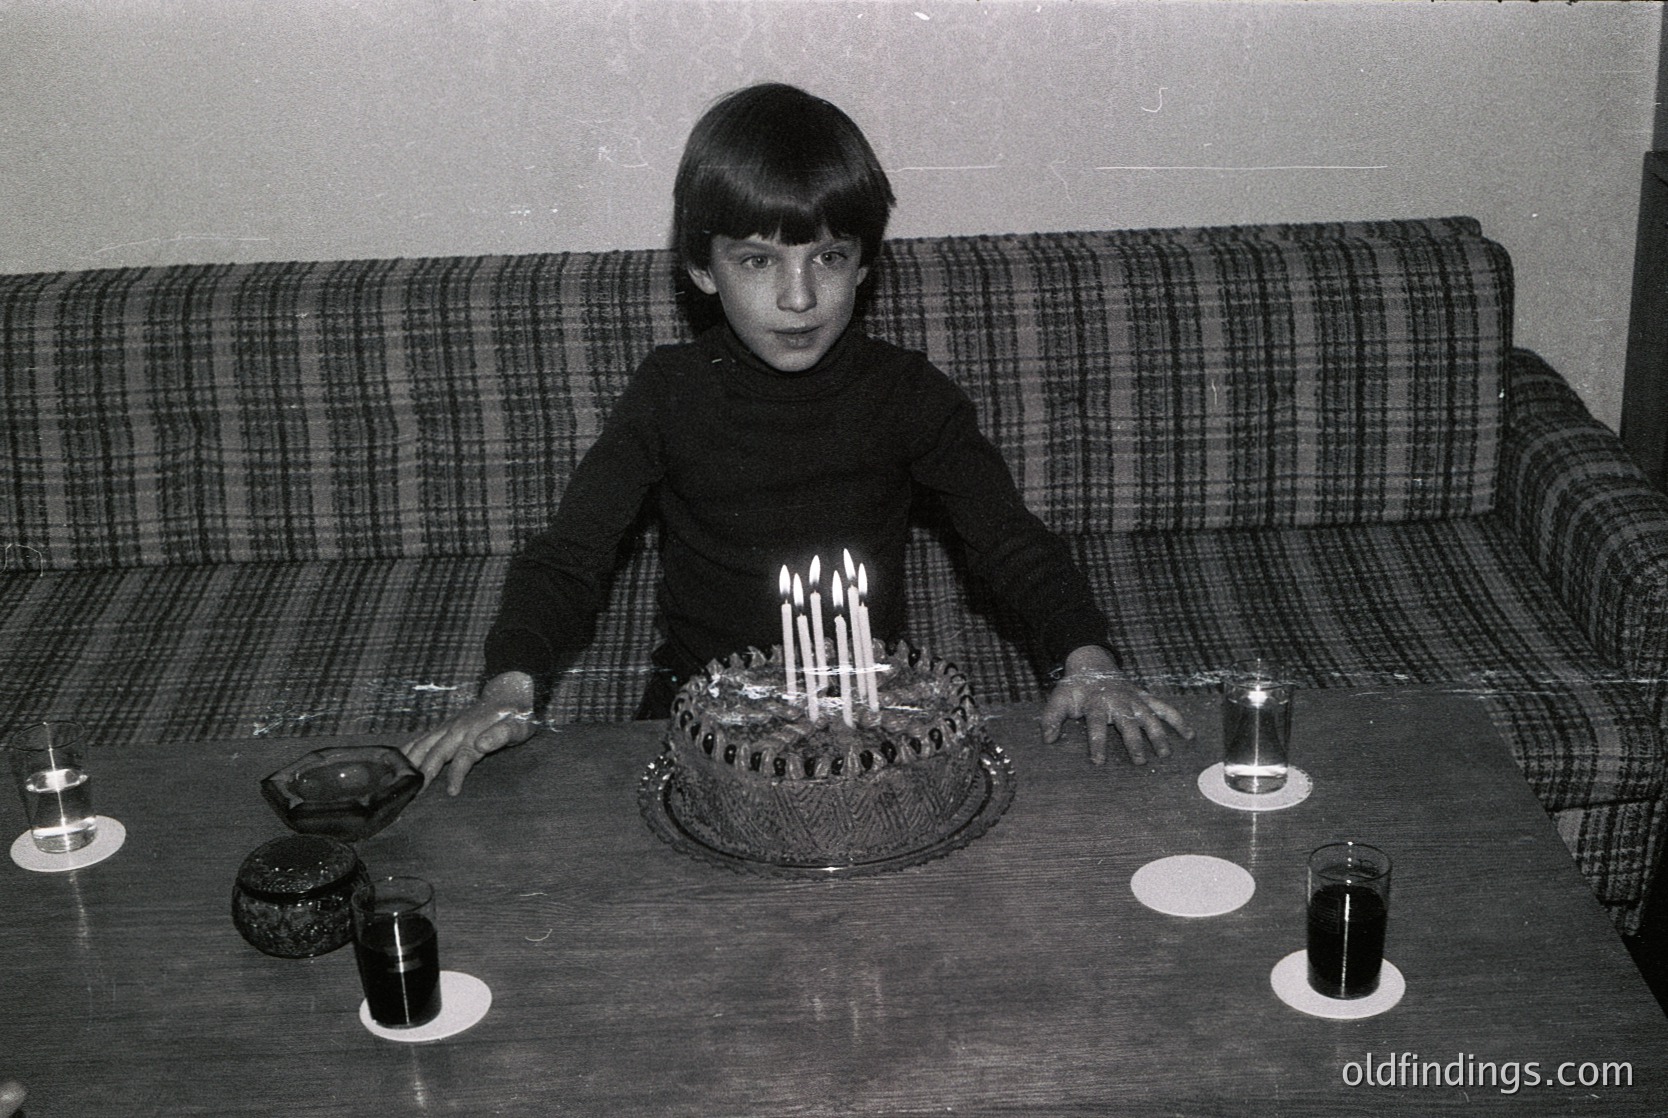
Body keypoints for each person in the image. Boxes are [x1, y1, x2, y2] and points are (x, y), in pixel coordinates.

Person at [405, 83, 1190, 795]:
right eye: (757, 260)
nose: (799, 296)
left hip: (866, 710)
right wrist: (509, 687)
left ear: (865, 264)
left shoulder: (907, 393)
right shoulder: (669, 392)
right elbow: (569, 555)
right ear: (701, 269)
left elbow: (1009, 542)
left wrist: (1089, 661)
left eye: (830, 257)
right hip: (699, 706)